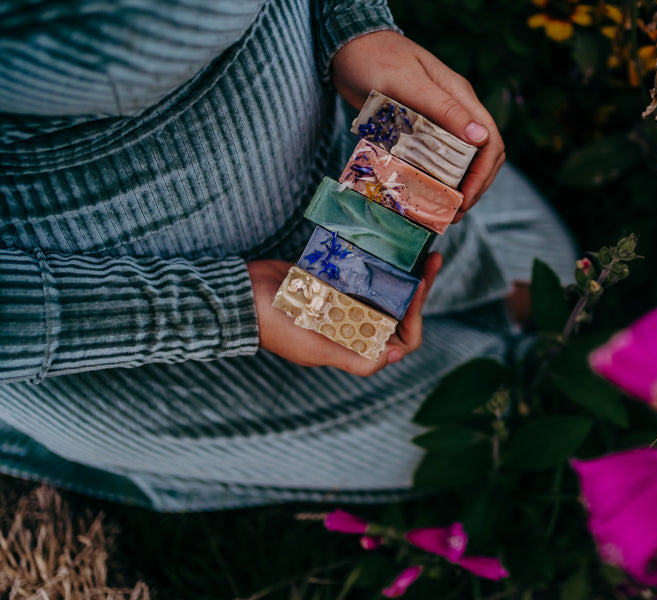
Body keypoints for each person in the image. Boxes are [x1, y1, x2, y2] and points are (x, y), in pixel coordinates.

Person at [0, 0, 577, 510]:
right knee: (492, 423)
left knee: (553, 273)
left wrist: (354, 24)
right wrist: (222, 308)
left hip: (335, 141)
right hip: (120, 316)